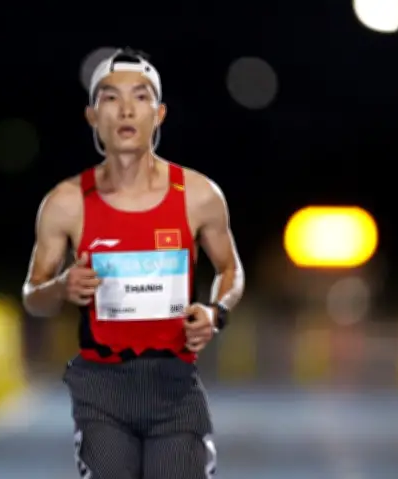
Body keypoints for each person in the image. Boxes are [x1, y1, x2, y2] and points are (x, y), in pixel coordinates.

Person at [22, 47, 244, 479]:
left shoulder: (199, 195)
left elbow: (230, 270)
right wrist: (61, 287)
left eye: (140, 97)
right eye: (110, 98)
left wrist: (215, 312)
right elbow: (34, 296)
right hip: (101, 387)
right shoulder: (65, 202)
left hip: (174, 384)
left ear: (159, 114)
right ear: (92, 116)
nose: (126, 110)